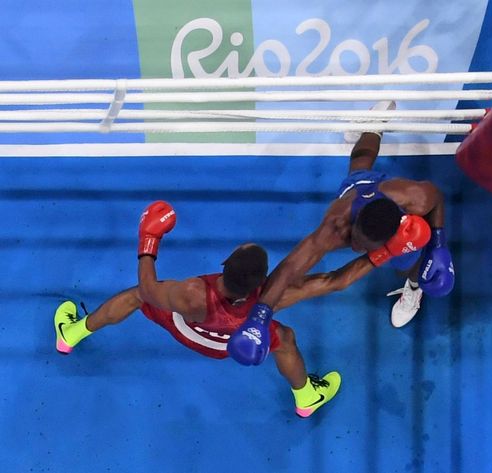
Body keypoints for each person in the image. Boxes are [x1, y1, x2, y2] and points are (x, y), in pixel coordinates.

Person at [53, 201, 374, 418]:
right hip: (227, 345)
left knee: (136, 296)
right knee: (285, 338)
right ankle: (306, 397)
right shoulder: (272, 298)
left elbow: (149, 289)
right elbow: (334, 281)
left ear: (224, 263)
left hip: (184, 326)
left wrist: (148, 240)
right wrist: (385, 252)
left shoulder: (193, 294)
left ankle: (70, 334)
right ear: (262, 280)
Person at [228, 101, 456, 368]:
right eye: (356, 241)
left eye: (364, 245)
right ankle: (373, 126)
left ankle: (414, 287)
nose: (357, 248)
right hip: (357, 194)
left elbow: (437, 196)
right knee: (359, 165)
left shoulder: (414, 198)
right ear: (355, 224)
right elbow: (292, 267)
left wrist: (438, 244)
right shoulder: (335, 228)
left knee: (406, 264)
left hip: (384, 201)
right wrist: (260, 314)